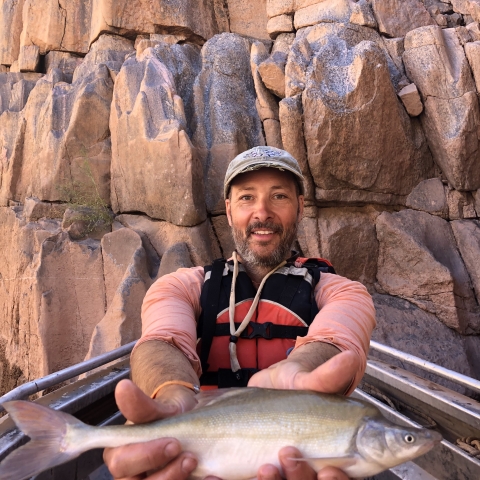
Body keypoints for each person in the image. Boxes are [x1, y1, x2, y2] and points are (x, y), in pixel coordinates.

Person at [104, 146, 376, 480]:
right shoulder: (181, 286)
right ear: (230, 211)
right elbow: (161, 341)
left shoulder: (342, 291)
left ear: (300, 207)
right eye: (247, 198)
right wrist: (172, 394)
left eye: (279, 196)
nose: (262, 212)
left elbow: (338, 335)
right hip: (201, 459)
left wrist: (299, 368)